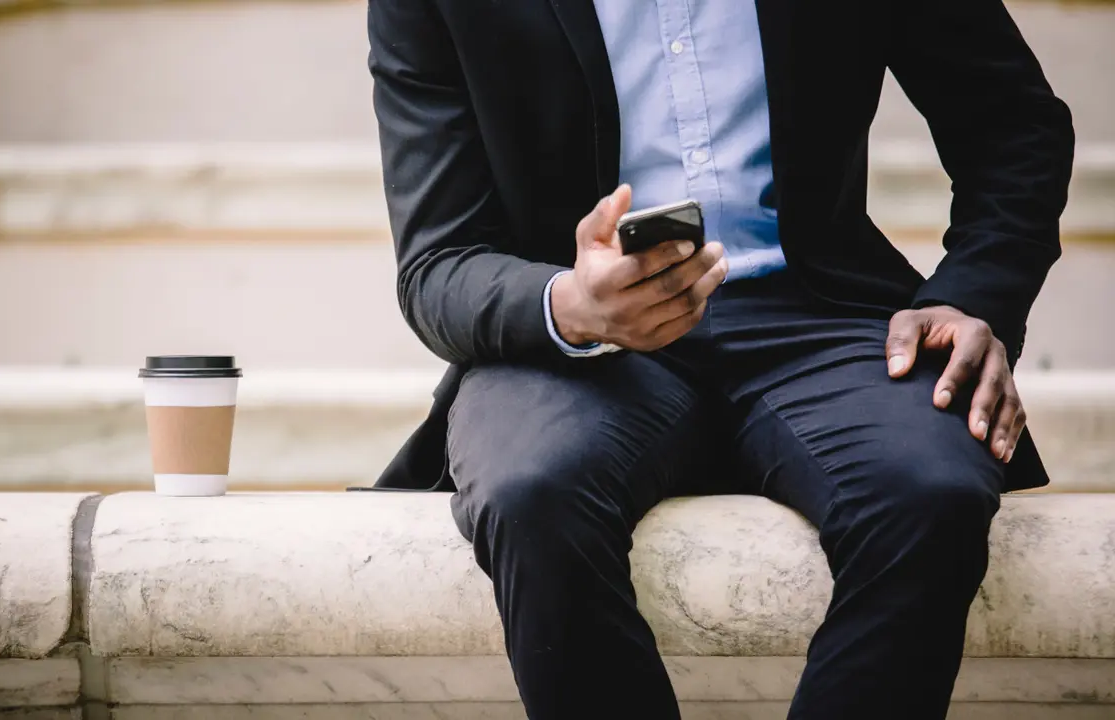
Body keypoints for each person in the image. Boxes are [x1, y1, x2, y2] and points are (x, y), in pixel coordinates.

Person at [364, 0, 1074, 716]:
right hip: (581, 339)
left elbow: (1015, 125)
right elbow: (438, 262)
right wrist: (570, 304)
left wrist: (974, 296)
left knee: (932, 488)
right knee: (530, 494)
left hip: (820, 317)